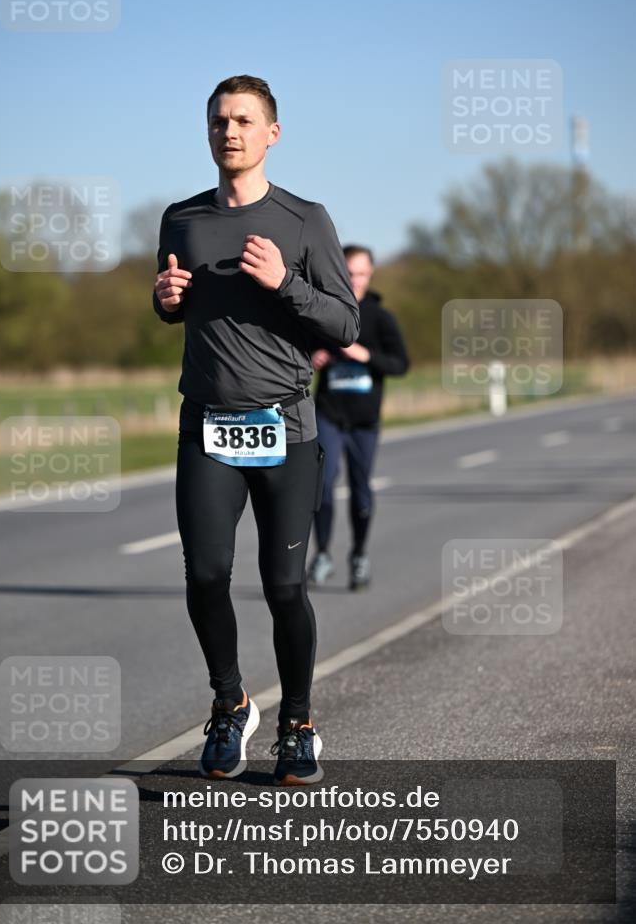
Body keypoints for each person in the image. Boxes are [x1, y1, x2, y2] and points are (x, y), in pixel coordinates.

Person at [152, 75, 359, 785]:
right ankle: (228, 702)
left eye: (243, 120)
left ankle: (297, 723)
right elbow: (179, 306)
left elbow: (344, 322)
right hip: (205, 423)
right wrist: (166, 302)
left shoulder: (304, 220)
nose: (229, 131)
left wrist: (286, 283)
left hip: (284, 428)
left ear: (272, 133)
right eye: (218, 121)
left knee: (282, 586)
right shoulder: (181, 219)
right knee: (206, 575)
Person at [307, 245, 409, 590]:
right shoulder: (323, 311)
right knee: (322, 484)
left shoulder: (382, 318)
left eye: (362, 273)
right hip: (329, 414)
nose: (356, 279)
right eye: (349, 273)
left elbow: (400, 364)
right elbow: (297, 352)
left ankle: (359, 555)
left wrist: (364, 354)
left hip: (364, 421)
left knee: (361, 490)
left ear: (371, 274)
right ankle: (322, 554)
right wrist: (313, 357)